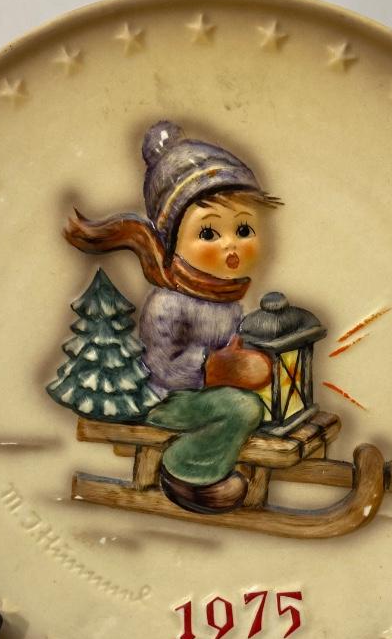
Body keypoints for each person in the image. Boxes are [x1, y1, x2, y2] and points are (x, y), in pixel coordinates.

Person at [64, 120, 282, 514]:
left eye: (243, 228)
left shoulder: (226, 297)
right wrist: (215, 367)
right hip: (165, 399)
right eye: (209, 234)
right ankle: (186, 473)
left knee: (271, 402)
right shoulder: (169, 303)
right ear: (172, 242)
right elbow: (162, 366)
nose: (231, 245)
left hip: (204, 394)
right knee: (243, 408)